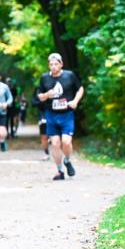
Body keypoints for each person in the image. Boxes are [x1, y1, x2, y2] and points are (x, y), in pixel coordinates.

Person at [36, 52, 84, 180]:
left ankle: (67, 161)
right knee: (55, 143)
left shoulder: (69, 75)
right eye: (51, 64)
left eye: (56, 64)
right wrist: (47, 95)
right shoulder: (44, 78)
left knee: (66, 142)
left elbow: (80, 89)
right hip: (51, 115)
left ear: (61, 64)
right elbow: (39, 96)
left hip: (66, 114)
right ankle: (60, 171)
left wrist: (75, 101)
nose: (53, 66)